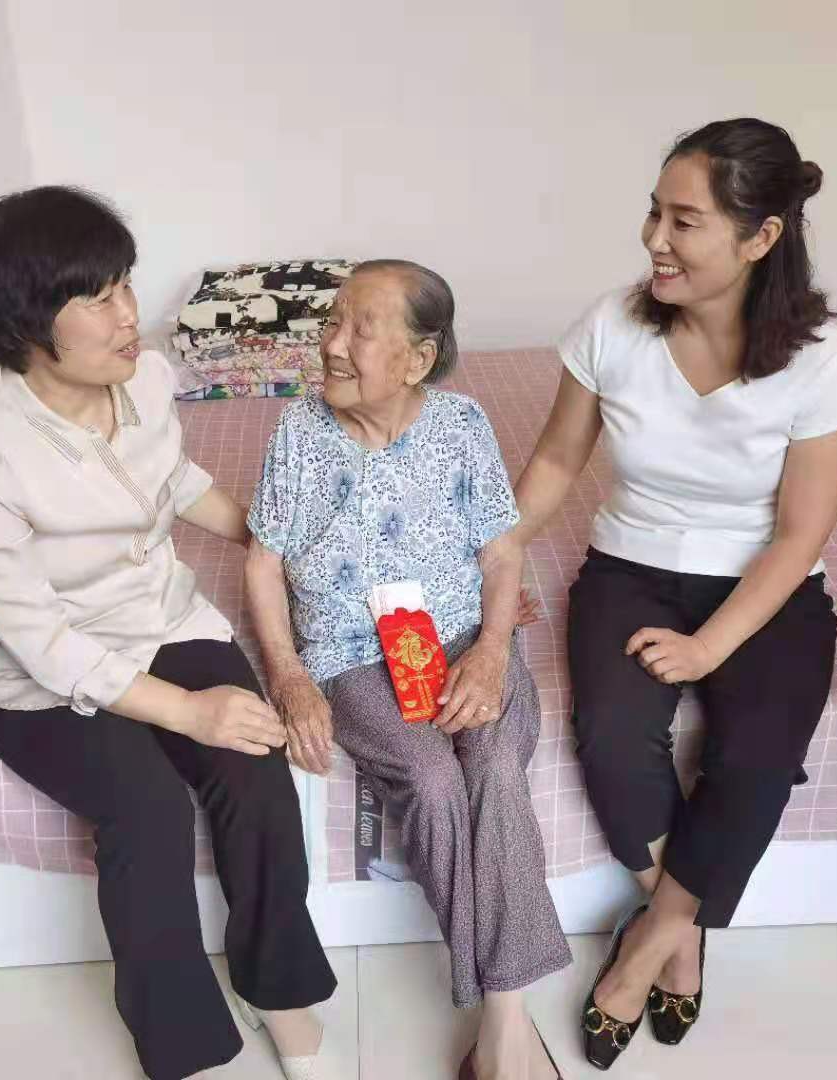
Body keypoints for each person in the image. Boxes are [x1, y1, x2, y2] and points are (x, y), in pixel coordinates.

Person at [0, 185, 336, 1080]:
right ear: (29, 324)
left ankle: (275, 985)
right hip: (38, 677)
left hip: (160, 617)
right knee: (146, 809)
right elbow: (40, 641)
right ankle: (182, 1044)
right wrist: (189, 711)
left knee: (255, 765)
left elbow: (173, 477)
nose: (128, 316)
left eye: (125, 286)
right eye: (98, 298)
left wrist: (270, 540)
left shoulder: (144, 376)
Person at [512, 119, 837, 1069]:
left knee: (757, 755)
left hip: (769, 586)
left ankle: (652, 942)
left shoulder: (823, 358)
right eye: (654, 213)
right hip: (631, 566)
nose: (654, 240)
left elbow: (800, 535)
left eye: (685, 221)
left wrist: (710, 647)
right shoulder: (614, 324)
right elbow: (556, 462)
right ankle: (687, 934)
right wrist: (498, 549)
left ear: (761, 237)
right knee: (611, 735)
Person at [245, 260, 569, 1080]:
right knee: (430, 777)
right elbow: (263, 561)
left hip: (462, 633)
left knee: (493, 760)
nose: (332, 344)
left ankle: (502, 1029)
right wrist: (289, 676)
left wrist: (492, 648)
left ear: (419, 359)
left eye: (360, 329)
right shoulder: (298, 432)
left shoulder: (462, 424)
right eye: (332, 322)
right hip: (355, 652)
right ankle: (508, 1027)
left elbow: (502, 551)